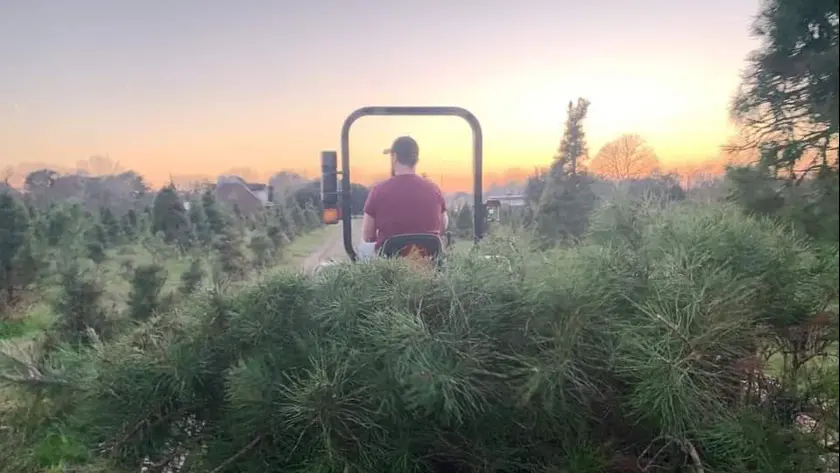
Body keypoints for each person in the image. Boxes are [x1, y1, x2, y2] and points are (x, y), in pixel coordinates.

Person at [360, 136, 448, 256]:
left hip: (389, 264)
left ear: (394, 157)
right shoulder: (434, 189)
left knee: (364, 249)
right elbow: (442, 227)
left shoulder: (378, 191)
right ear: (416, 160)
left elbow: (367, 235)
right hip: (427, 262)